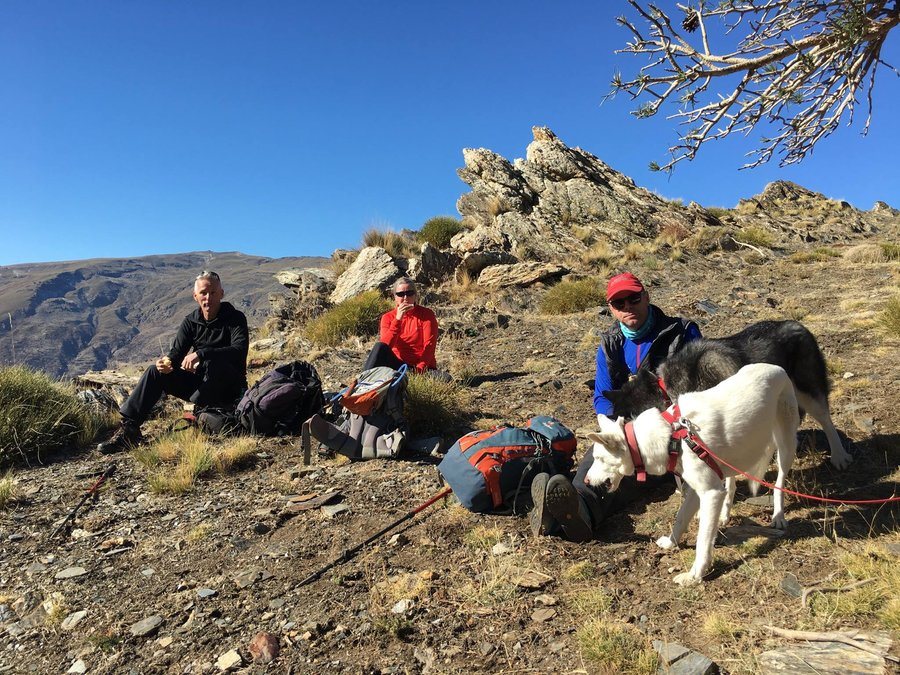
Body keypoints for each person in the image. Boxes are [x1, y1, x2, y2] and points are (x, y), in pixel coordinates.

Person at [530, 272, 702, 541]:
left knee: (626, 464)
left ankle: (577, 512)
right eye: (619, 304)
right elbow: (601, 396)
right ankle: (562, 513)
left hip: (673, 432)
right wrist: (611, 430)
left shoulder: (682, 332)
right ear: (611, 308)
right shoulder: (610, 343)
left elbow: (699, 387)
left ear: (646, 296)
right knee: (604, 454)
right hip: (629, 428)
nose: (628, 307)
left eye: (633, 298)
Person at [98, 270, 249, 453]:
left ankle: (204, 409)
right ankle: (129, 429)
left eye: (213, 293)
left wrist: (202, 354)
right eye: (203, 293)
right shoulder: (191, 322)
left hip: (229, 387)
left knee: (216, 364)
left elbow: (239, 351)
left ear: (221, 294)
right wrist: (167, 363)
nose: (208, 297)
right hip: (200, 386)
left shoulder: (235, 318)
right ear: (195, 296)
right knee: (155, 372)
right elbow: (176, 354)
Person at [362, 277, 441, 374]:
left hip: (423, 368)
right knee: (379, 346)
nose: (405, 298)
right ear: (395, 297)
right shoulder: (388, 317)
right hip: (398, 366)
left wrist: (419, 371)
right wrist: (398, 319)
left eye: (409, 293)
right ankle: (363, 382)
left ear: (415, 295)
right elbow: (385, 347)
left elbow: (429, 346)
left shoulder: (426, 314)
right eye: (400, 294)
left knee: (447, 380)